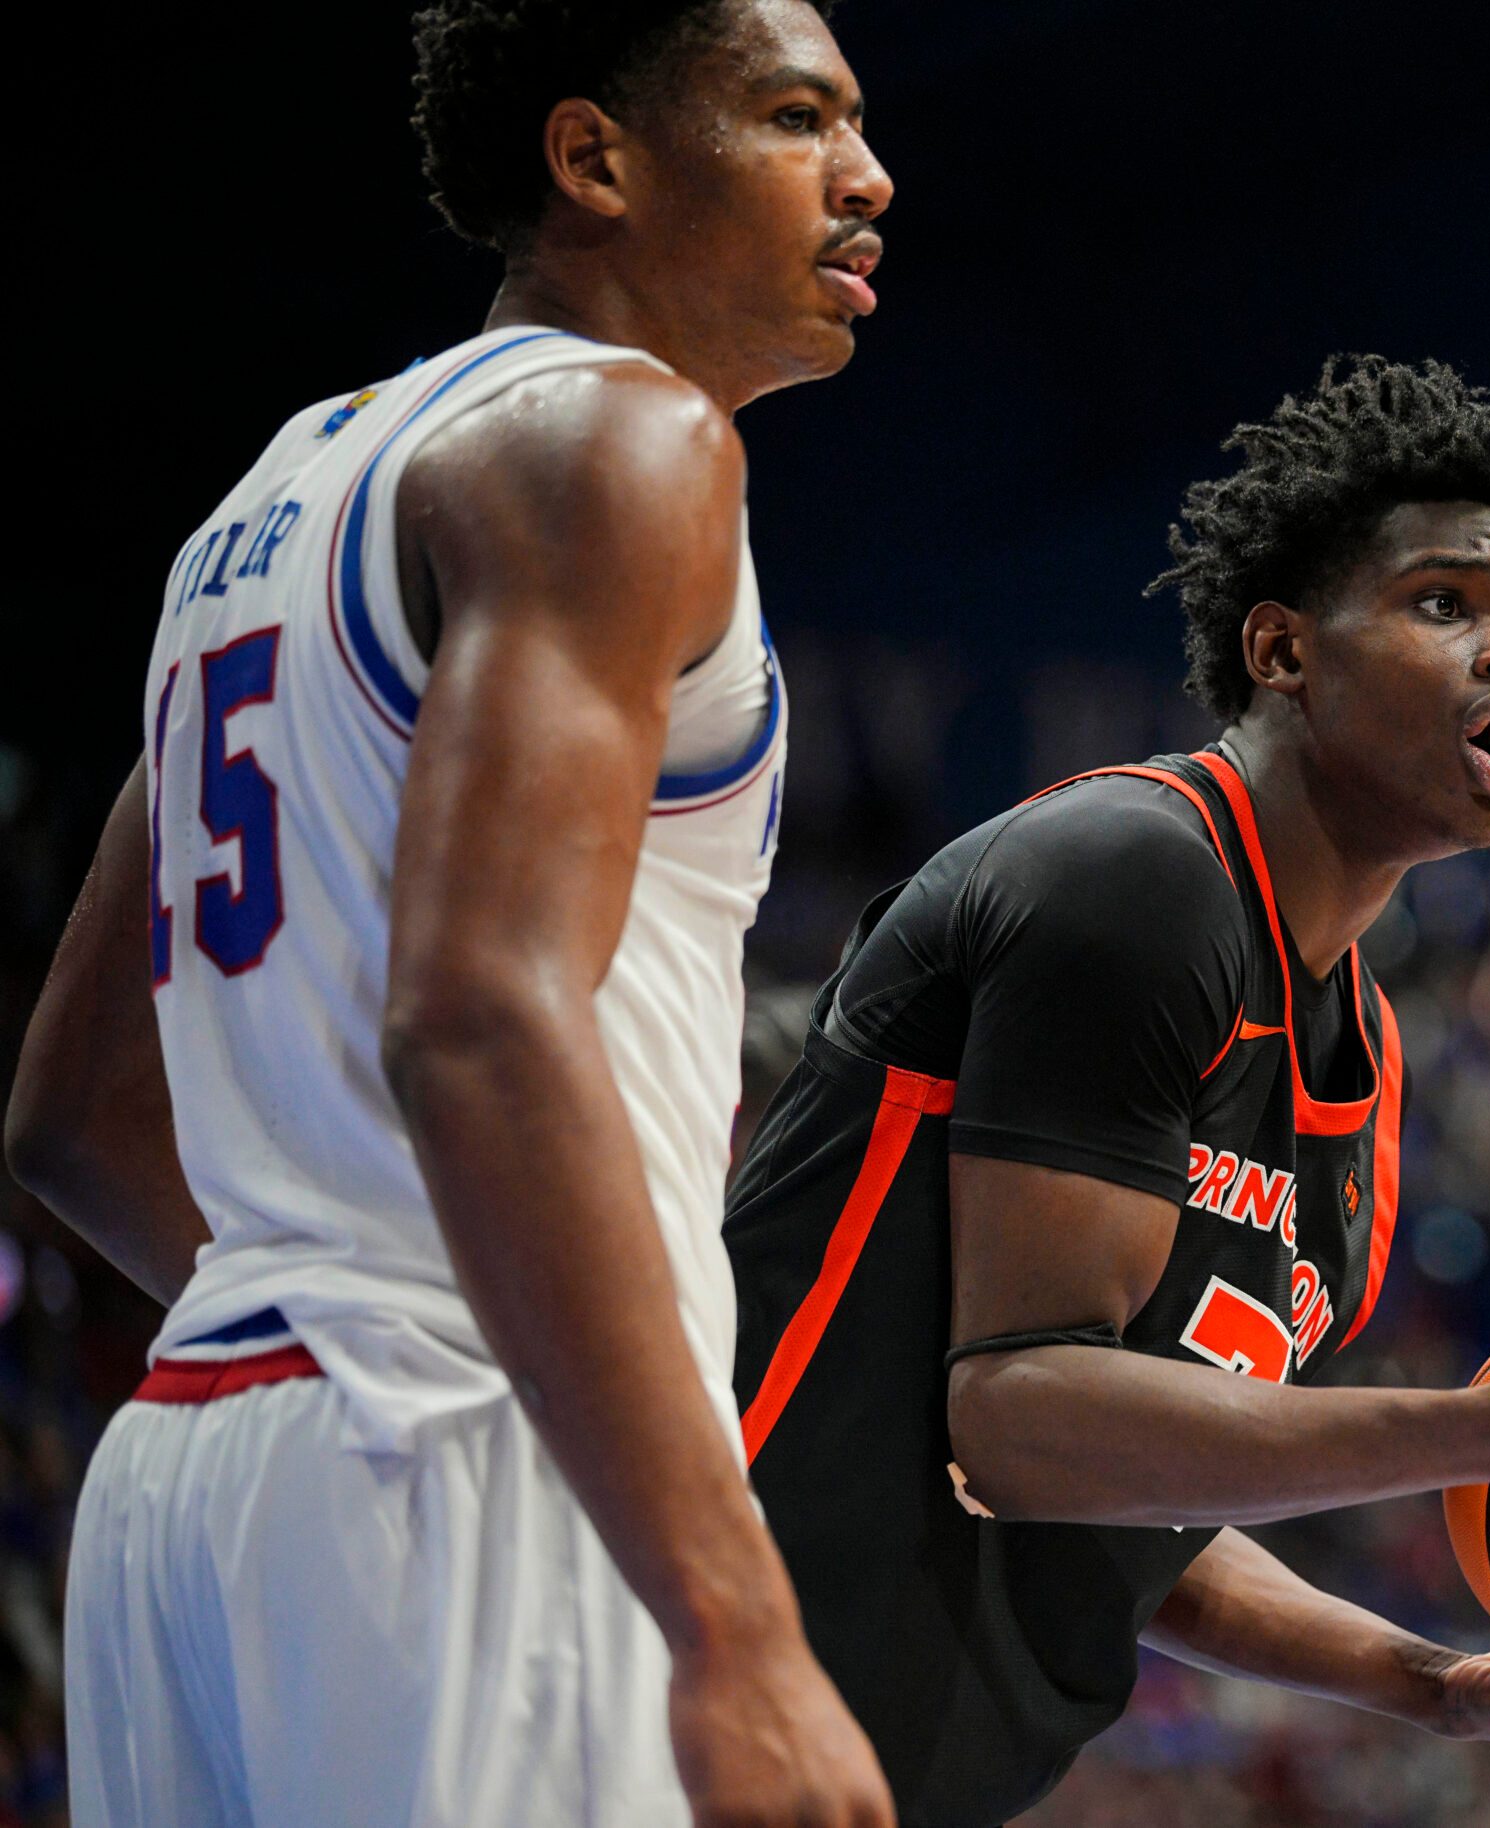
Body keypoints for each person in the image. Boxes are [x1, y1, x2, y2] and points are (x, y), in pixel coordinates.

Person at [724, 355, 1490, 1827]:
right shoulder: (1135, 882)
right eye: (1446, 605)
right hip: (674, 1694)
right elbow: (1015, 1424)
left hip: (875, 1773)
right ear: (1282, 651)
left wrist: (1434, 1686)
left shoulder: (1363, 1071)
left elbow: (1140, 1516)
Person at [5, 3, 898, 1822]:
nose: (867, 178)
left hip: (188, 1477)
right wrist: (735, 1627)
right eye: (799, 117)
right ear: (596, 162)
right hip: (471, 1450)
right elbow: (478, 1010)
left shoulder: (268, 498)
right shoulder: (627, 441)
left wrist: (322, 1328)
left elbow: (69, 1114)